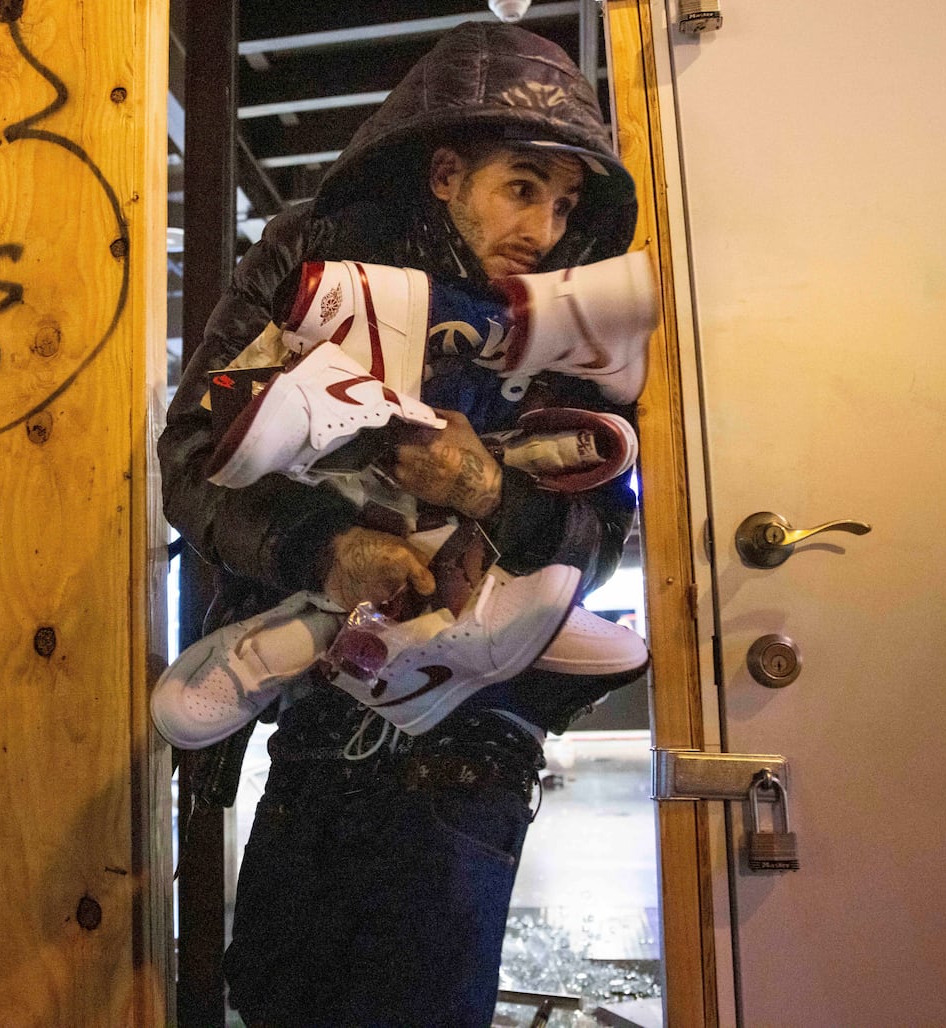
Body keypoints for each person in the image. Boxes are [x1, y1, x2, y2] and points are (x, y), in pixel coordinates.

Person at [158, 21, 644, 1026]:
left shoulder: (576, 313)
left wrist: (488, 493)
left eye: (563, 203)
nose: (547, 229)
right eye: (523, 187)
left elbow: (597, 529)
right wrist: (324, 551)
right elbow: (197, 457)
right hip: (314, 725)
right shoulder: (309, 255)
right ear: (443, 171)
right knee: (277, 991)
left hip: (471, 750)